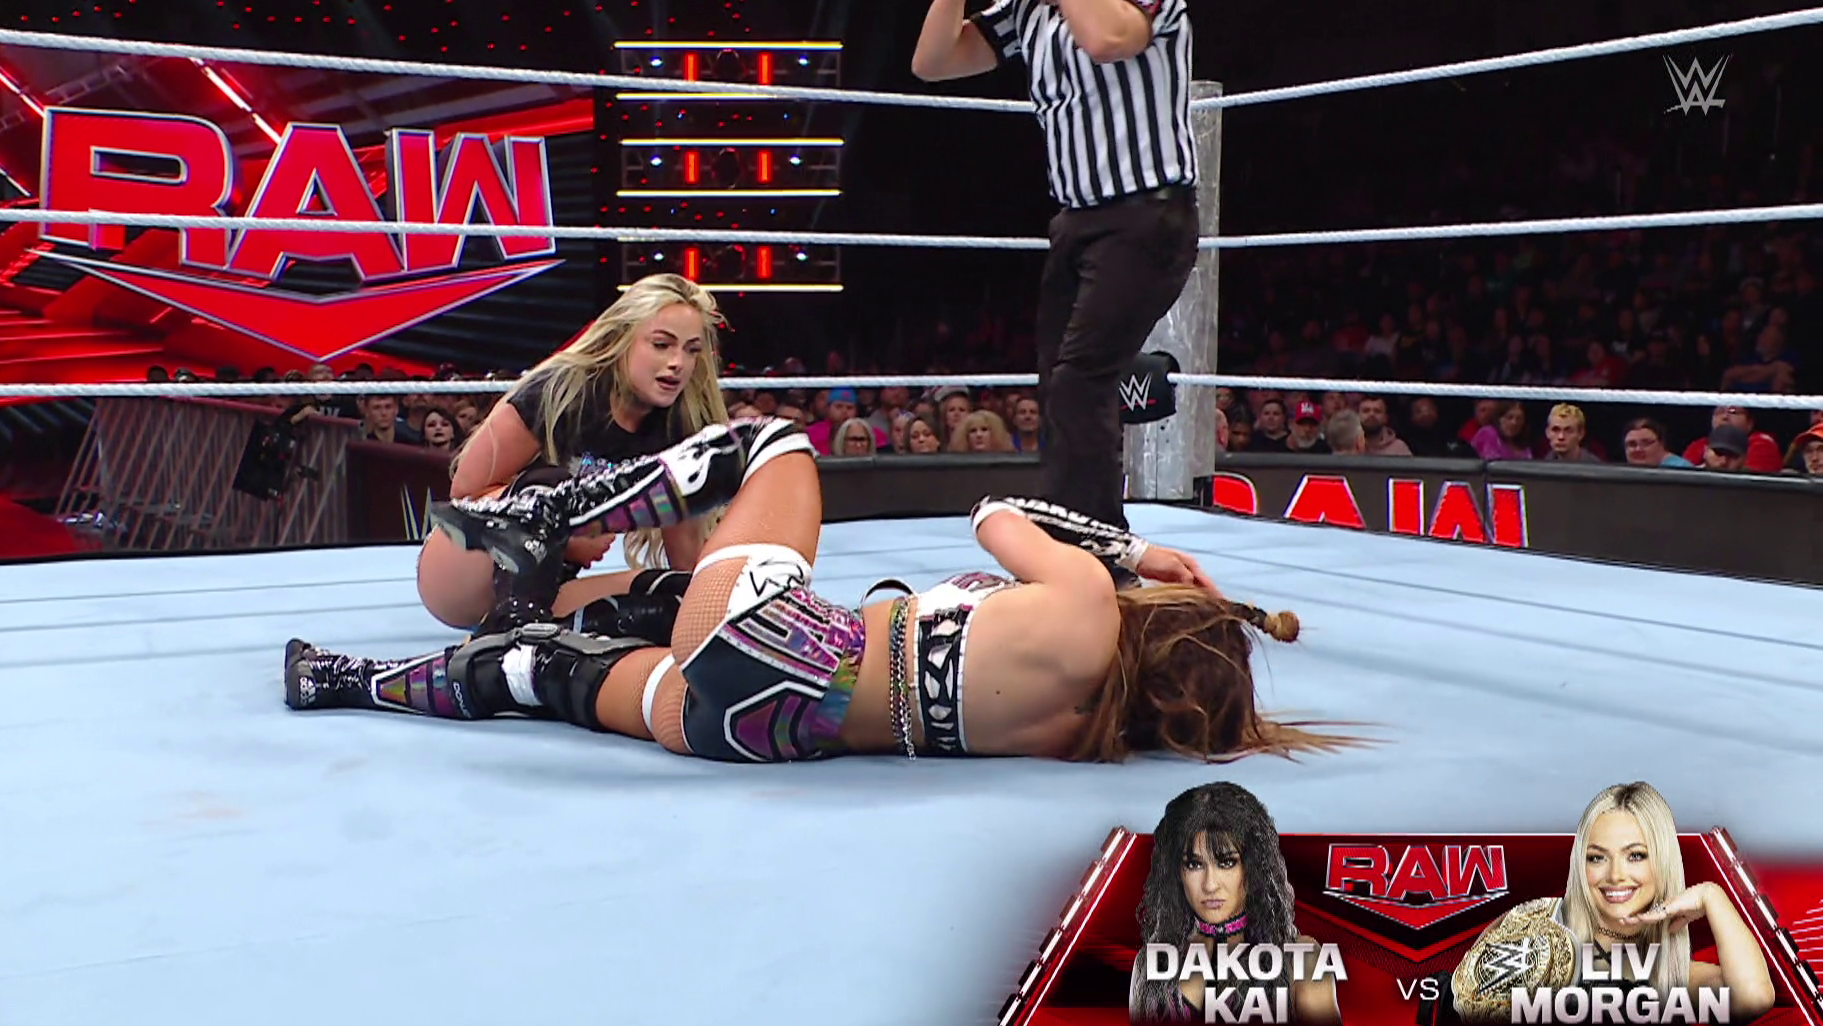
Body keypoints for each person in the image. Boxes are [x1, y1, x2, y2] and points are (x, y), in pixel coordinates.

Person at [289, 415, 1359, 770]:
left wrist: (1134, 555)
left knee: (776, 447)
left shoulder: (1084, 603)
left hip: (784, 643)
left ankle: (554, 513)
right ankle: (345, 680)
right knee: (545, 673)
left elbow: (994, 513)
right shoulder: (1088, 737)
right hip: (775, 732)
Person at [913, 0, 1202, 578]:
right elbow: (933, 62)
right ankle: (1076, 543)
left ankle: (1102, 559)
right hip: (1076, 223)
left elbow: (1108, 38)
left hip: (1149, 217)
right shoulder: (1028, 9)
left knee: (1079, 381)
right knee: (1059, 387)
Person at [412, 273, 731, 642]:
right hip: (462, 566)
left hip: (550, 588)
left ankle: (535, 638)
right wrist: (568, 529)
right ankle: (515, 638)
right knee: (554, 489)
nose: (678, 362)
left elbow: (686, 558)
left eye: (692, 350)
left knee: (671, 597)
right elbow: (465, 495)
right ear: (622, 339)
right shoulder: (560, 392)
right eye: (662, 344)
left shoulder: (678, 428)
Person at [1446, 781, 1775, 1026]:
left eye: (1635, 855)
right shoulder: (1534, 923)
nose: (1616, 875)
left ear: (1663, 862)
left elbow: (1753, 997)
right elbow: (1466, 999)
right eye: (1597, 858)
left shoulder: (1668, 975)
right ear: (1580, 864)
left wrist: (1711, 896)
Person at [1130, 782, 1343, 1026]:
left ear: (1253, 867)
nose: (1210, 885)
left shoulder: (1301, 959)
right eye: (1194, 865)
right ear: (1177, 873)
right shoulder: (1151, 963)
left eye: (1226, 863)